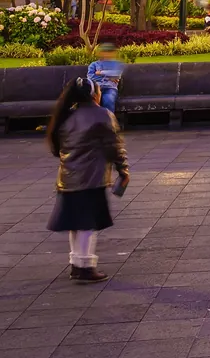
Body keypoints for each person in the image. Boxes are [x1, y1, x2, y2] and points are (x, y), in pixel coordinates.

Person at [45, 76, 129, 283]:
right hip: (91, 177)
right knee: (87, 224)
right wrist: (123, 170)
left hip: (68, 177)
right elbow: (114, 147)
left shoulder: (64, 116)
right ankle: (85, 266)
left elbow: (58, 149)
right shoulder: (102, 115)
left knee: (76, 223)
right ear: (94, 94)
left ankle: (76, 263)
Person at [86, 42, 124, 112]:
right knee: (90, 101)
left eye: (109, 51)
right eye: (104, 51)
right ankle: (93, 120)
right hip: (95, 89)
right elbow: (90, 77)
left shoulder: (116, 64)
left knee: (108, 100)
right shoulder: (94, 64)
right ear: (100, 53)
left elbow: (117, 74)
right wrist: (109, 78)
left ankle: (108, 121)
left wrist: (101, 73)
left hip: (110, 89)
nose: (107, 54)